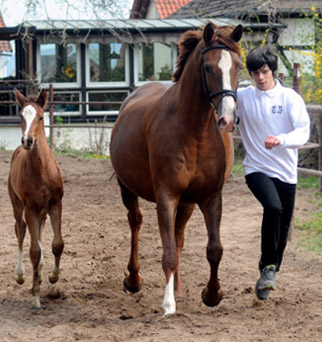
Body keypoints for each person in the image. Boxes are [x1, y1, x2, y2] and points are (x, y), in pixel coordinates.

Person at [236, 45, 311, 300]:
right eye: (254, 73)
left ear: (273, 71)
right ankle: (267, 267)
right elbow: (221, 106)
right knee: (274, 208)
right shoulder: (243, 96)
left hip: (287, 172)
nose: (259, 78)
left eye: (264, 72)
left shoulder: (289, 98)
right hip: (256, 167)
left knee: (283, 225)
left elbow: (303, 131)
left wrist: (282, 139)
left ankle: (269, 273)